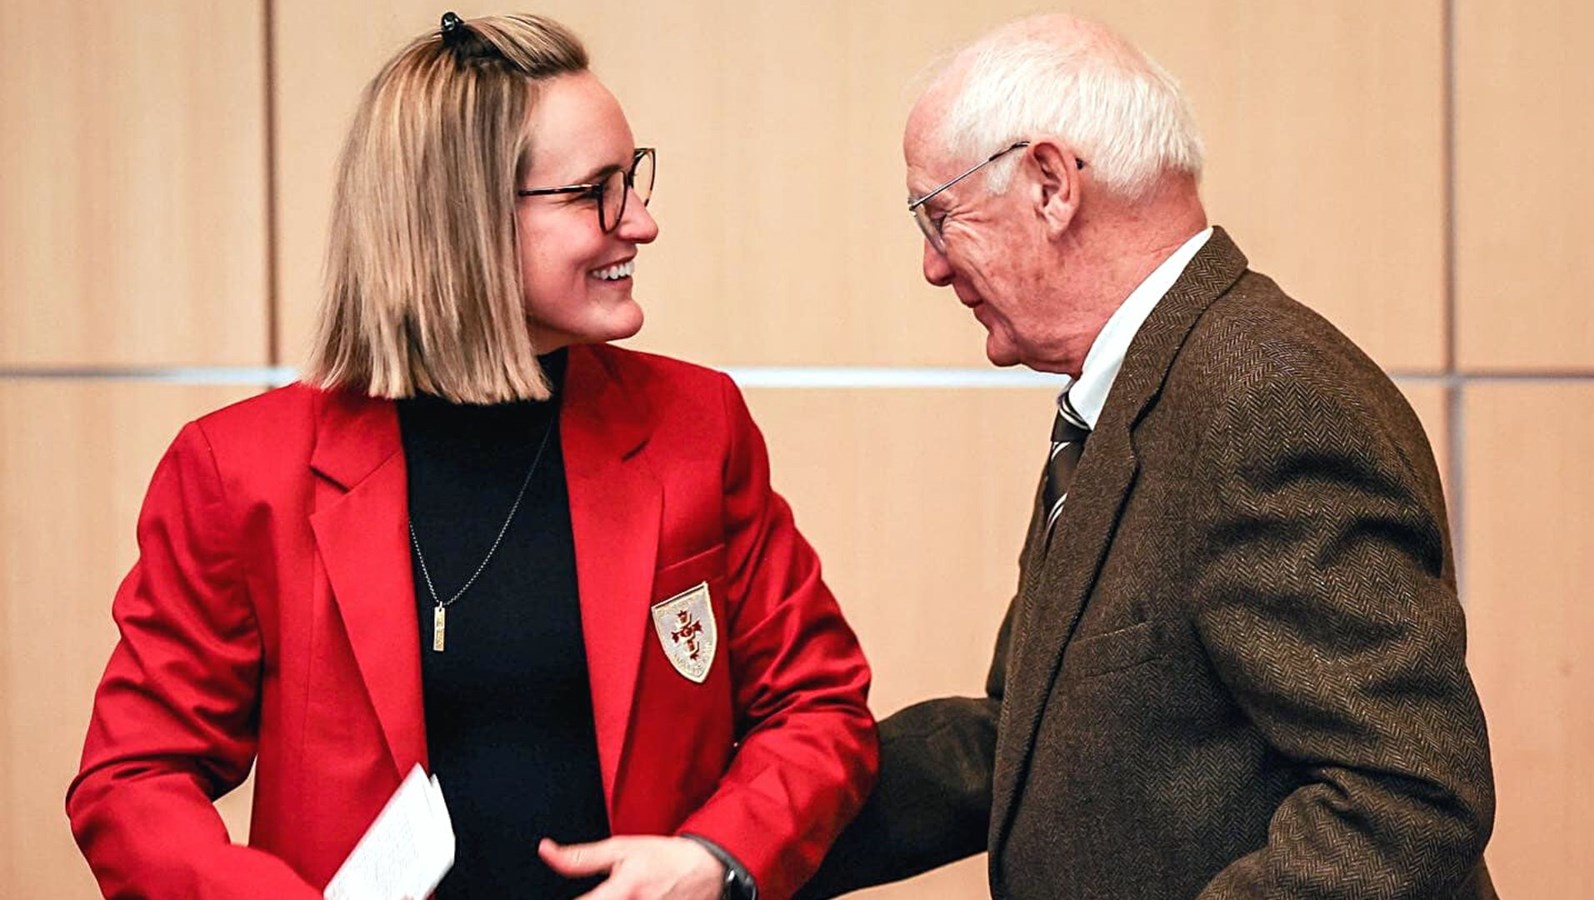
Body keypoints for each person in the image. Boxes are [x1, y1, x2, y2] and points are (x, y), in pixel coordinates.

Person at [66, 12, 876, 900]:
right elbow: (133, 780)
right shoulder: (239, 470)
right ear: (463, 218)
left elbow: (820, 710)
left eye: (632, 180)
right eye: (593, 191)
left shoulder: (696, 426)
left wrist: (716, 858)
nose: (639, 222)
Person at [801, 14, 1495, 900]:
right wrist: (737, 840)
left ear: (1050, 184)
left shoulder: (1264, 401)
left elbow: (1405, 795)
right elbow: (1022, 731)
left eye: (941, 218)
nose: (933, 268)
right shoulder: (1140, 389)